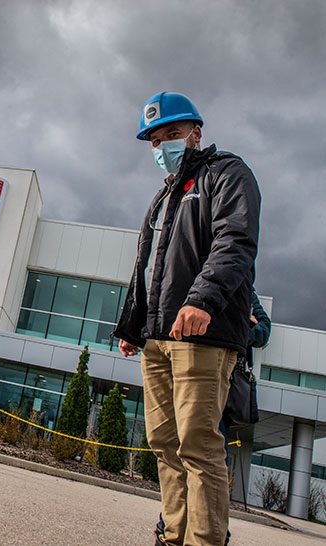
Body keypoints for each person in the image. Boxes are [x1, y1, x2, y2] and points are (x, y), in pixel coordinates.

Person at [115, 91, 261, 546]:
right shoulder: (163, 198)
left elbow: (234, 241)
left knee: (198, 444)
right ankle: (172, 535)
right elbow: (149, 267)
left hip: (205, 334)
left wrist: (202, 300)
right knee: (163, 442)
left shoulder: (227, 174)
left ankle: (205, 540)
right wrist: (133, 325)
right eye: (155, 141)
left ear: (196, 132)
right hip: (158, 339)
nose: (163, 147)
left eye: (173, 135)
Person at [155, 287, 272, 545]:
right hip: (186, 366)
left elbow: (264, 330)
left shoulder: (246, 292)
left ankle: (215, 534)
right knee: (174, 449)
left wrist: (239, 326)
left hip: (220, 383)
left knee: (204, 453)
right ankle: (170, 525)